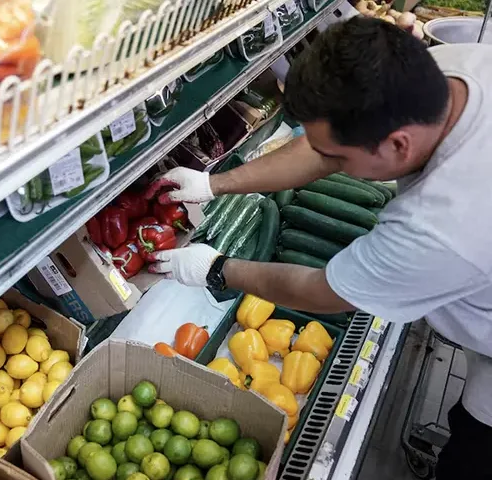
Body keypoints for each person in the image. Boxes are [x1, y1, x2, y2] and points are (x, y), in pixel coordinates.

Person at [145, 16, 492, 479]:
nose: (328, 163)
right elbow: (321, 147)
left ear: (397, 145)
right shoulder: (453, 70)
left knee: (473, 455)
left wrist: (217, 267)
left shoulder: (442, 226)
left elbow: (325, 291)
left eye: (339, 160)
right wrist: (214, 183)